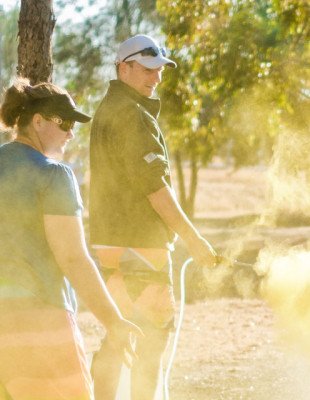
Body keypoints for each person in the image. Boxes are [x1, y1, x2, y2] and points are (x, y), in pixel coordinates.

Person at [0, 78, 141, 400]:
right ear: (37, 121)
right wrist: (114, 322)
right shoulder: (54, 175)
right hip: (24, 302)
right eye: (64, 123)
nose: (71, 133)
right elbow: (72, 258)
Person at [87, 34, 218, 400]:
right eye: (147, 69)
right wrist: (194, 240)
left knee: (119, 333)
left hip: (110, 243)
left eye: (159, 70)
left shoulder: (108, 109)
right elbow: (155, 189)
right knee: (151, 339)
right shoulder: (132, 115)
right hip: (139, 244)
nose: (156, 78)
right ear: (124, 67)